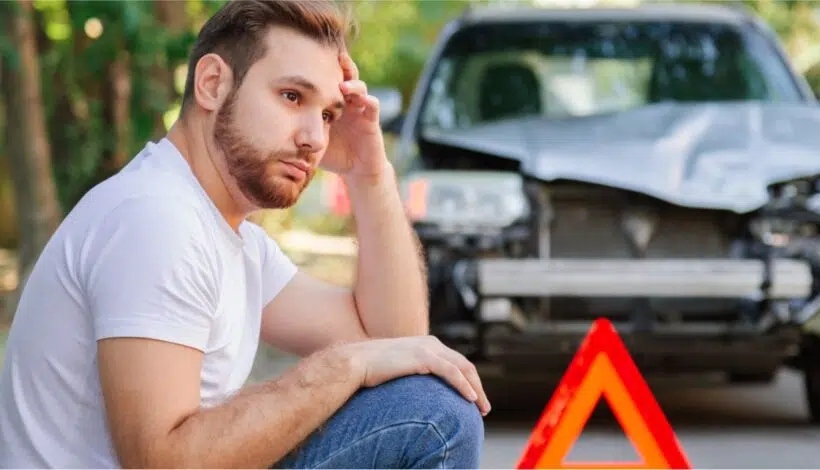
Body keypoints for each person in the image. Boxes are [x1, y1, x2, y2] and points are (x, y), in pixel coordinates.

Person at [0, 0, 489, 468]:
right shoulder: (155, 219)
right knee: (436, 418)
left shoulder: (230, 238)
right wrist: (344, 366)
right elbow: (161, 462)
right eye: (292, 97)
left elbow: (399, 343)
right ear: (212, 83)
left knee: (429, 400)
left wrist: (370, 172)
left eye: (327, 115)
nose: (315, 139)